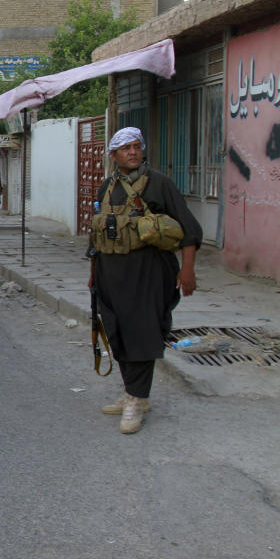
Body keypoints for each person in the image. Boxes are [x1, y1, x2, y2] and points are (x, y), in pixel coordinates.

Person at [89, 127, 201, 434]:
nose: (133, 152)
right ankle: (132, 392)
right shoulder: (107, 187)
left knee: (142, 332)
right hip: (111, 273)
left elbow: (189, 229)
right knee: (117, 332)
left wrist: (187, 269)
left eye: (137, 146)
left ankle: (137, 400)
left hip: (148, 272)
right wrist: (93, 274)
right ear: (114, 155)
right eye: (126, 148)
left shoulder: (159, 184)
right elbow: (97, 235)